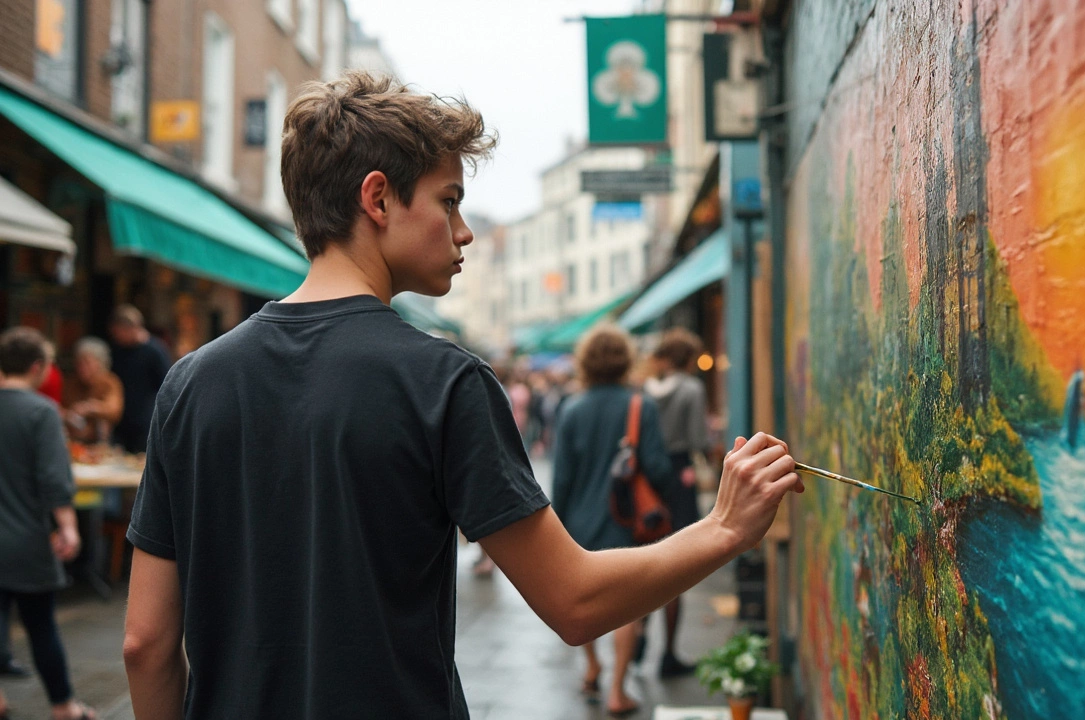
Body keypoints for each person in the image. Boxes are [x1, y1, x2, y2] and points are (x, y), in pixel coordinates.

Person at [122, 71, 801, 720]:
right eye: (449, 200)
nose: (464, 229)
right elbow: (575, 602)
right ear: (379, 198)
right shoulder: (443, 382)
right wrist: (725, 528)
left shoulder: (190, 382)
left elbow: (146, 644)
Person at [551, 325, 674, 714]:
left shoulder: (570, 409)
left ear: (585, 362)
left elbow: (562, 477)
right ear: (625, 360)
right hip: (625, 522)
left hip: (580, 522)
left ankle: (592, 666)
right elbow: (656, 467)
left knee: (584, 597)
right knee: (627, 606)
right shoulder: (641, 405)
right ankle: (618, 691)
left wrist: (559, 525)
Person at [0, 327, 97, 720]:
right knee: (41, 626)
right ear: (37, 367)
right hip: (26, 539)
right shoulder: (41, 412)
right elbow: (54, 480)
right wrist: (69, 527)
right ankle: (64, 707)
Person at [641, 328, 713, 677]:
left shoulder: (645, 390)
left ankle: (638, 631)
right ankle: (668, 654)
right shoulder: (692, 389)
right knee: (677, 564)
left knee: (642, 558)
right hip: (680, 474)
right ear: (688, 358)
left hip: (648, 479)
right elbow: (699, 437)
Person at [107, 305, 171, 453]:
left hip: (145, 421)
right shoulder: (118, 349)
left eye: (118, 332)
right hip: (122, 421)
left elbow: (166, 386)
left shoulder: (155, 351)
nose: (116, 337)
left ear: (129, 328)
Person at [62, 337, 124, 445]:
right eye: (79, 363)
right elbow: (63, 407)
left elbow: (114, 410)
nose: (82, 368)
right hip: (74, 440)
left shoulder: (109, 382)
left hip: (100, 442)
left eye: (87, 363)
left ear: (100, 363)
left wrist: (89, 407)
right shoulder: (72, 382)